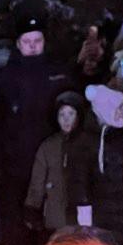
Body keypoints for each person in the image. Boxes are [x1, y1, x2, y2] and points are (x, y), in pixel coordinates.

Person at [0, 3, 72, 245]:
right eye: (27, 41)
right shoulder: (3, 78)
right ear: (18, 44)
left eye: (37, 41)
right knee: (15, 232)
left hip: (52, 167)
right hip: (14, 168)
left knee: (50, 229)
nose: (32, 46)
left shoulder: (58, 74)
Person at [69, 85, 123, 245]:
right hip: (101, 222)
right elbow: (80, 182)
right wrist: (85, 222)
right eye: (118, 108)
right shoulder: (87, 142)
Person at [25, 92, 89, 235]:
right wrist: (32, 208)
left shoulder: (89, 143)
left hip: (84, 219)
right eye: (62, 115)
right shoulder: (49, 146)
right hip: (56, 219)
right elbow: (37, 181)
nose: (66, 119)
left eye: (71, 114)